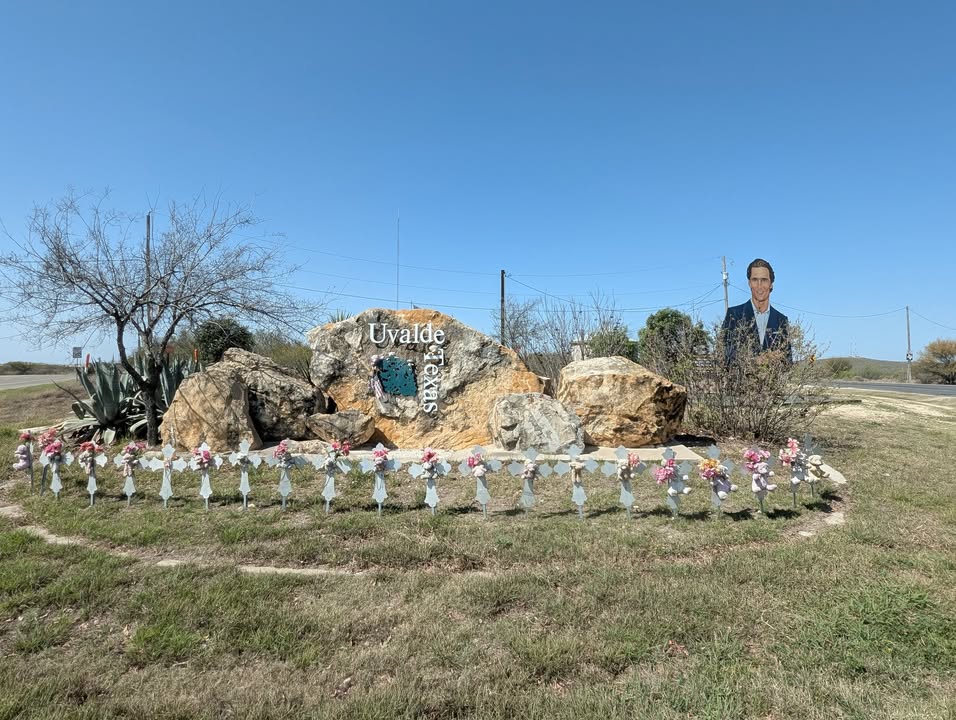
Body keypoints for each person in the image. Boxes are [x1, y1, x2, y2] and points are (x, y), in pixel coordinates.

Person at [722, 258, 792, 365]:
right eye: (755, 280)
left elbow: (788, 362)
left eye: (764, 280)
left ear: (771, 284)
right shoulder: (734, 314)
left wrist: (774, 360)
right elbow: (725, 353)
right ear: (749, 283)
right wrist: (754, 361)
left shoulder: (781, 320)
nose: (759, 286)